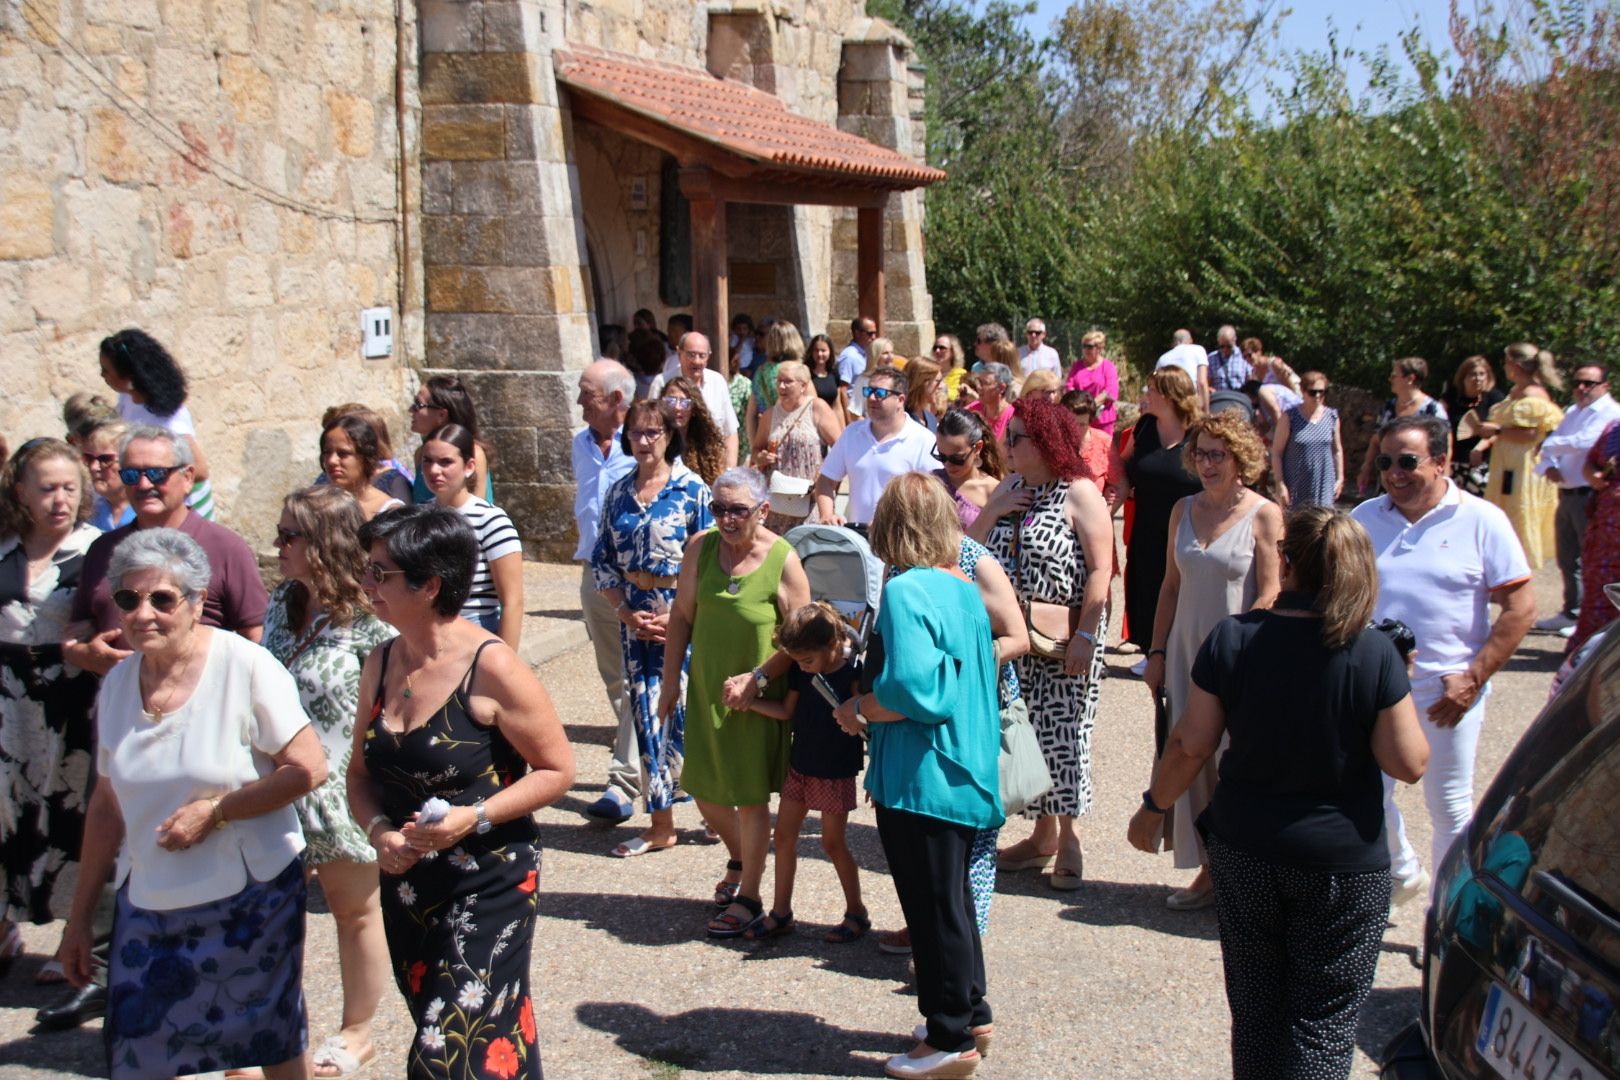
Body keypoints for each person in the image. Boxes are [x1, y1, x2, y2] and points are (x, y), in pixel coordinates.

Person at [1127, 507, 1429, 1080]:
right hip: (1341, 861)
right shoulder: (1371, 652)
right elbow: (1408, 762)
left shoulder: (1236, 639)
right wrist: (1397, 684)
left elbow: (1192, 743)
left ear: (1287, 563)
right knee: (1324, 1024)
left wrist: (1154, 808)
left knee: (1258, 1014)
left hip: (1247, 848)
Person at [57, 528, 327, 1079]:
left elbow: (309, 768)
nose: (143, 614)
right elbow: (106, 806)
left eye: (162, 598)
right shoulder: (116, 685)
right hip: (150, 896)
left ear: (198, 603)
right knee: (139, 1049)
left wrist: (219, 810)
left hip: (249, 898)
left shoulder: (245, 665)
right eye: (129, 599)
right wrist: (79, 918)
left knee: (267, 1040)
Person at [347, 505, 574, 1080]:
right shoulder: (380, 659)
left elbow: (557, 769)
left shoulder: (490, 665)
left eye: (380, 574)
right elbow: (358, 776)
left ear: (429, 585)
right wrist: (379, 833)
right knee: (486, 1030)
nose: (366, 585)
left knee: (445, 1050)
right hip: (409, 884)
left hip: (490, 877)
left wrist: (472, 818)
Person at [834, 473, 1001, 1080]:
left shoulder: (905, 592)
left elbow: (913, 691)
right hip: (965, 766)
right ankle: (970, 1010)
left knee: (933, 909)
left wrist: (857, 711)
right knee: (953, 900)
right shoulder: (963, 587)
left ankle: (949, 1035)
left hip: (924, 771)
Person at [1351, 415, 1535, 903]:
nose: (1394, 473)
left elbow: (1521, 607)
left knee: (1449, 808)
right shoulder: (1364, 518)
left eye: (1408, 461)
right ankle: (1403, 872)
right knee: (1364, 793)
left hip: (1446, 695)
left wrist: (1473, 678)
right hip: (1377, 690)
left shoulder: (1482, 520)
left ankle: (1447, 920)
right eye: (1387, 461)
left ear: (1441, 460)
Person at [264, 487, 397, 1077]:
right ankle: (270, 1032)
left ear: (324, 542)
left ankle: (357, 1030)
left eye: (290, 534)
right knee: (273, 916)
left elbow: (399, 703)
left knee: (354, 912)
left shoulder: (372, 619)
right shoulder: (281, 603)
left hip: (342, 792)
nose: (278, 544)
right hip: (278, 788)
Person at [656, 468, 811, 938]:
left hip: (757, 697)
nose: (725, 518)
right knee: (701, 784)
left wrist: (759, 679)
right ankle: (744, 857)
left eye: (737, 510)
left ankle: (749, 896)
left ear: (762, 511)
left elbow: (803, 638)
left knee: (747, 796)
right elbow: (682, 618)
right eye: (718, 508)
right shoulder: (700, 549)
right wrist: (669, 684)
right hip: (707, 689)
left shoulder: (783, 559)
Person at [1143, 410, 1283, 907]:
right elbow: (1170, 587)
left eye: (1217, 454)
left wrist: (1244, 649)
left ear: (1240, 457)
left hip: (1237, 657)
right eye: (1199, 453)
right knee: (1189, 757)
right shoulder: (1182, 509)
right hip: (1184, 651)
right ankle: (1209, 868)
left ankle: (1242, 870)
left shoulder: (1264, 514)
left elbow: (1270, 592)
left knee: (1233, 761)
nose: (1206, 463)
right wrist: (1155, 652)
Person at [973, 400, 1113, 890]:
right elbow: (967, 553)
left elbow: (1101, 571)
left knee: (1065, 736)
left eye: (1018, 439)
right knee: (1024, 734)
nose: (1007, 447)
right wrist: (991, 509)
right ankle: (1041, 835)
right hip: (1015, 639)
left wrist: (1087, 637)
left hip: (1062, 640)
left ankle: (1069, 840)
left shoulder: (1079, 494)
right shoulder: (1008, 489)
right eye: (1007, 437)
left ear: (1048, 442)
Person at [591, 401, 714, 857]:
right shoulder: (619, 492)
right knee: (646, 715)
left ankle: (712, 806)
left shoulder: (691, 489)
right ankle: (661, 824)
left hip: (683, 618)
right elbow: (602, 559)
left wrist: (681, 613)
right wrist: (623, 611)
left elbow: (710, 561)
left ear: (669, 436)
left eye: (654, 433)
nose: (645, 441)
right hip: (635, 620)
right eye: (637, 433)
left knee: (688, 713)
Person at [0, 439, 98, 975]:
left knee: (70, 815)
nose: (60, 499)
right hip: (6, 702)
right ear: (21, 492)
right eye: (47, 488)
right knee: (3, 812)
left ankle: (72, 942)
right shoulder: (4, 547)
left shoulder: (95, 549)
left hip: (70, 699)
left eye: (69, 487)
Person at [737, 603, 867, 942]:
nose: (803, 667)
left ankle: (857, 911)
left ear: (832, 645)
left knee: (832, 843)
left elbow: (866, 723)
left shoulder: (852, 675)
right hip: (801, 765)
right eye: (797, 662)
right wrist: (750, 702)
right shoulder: (801, 670)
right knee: (782, 837)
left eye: (807, 660)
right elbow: (786, 710)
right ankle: (781, 912)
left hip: (834, 769)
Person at [572, 360, 639, 826]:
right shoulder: (580, 444)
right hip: (592, 572)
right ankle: (654, 753)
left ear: (616, 400)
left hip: (636, 577)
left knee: (640, 676)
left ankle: (624, 780)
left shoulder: (644, 445)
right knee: (614, 675)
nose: (579, 402)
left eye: (587, 393)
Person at [1112, 368, 1203, 661]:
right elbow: (1123, 468)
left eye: (1150, 389)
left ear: (1168, 395)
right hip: (1147, 527)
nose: (1145, 395)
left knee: (1185, 590)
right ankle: (1154, 653)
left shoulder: (1199, 433)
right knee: (1147, 586)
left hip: (1191, 528)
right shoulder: (1144, 428)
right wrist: (1109, 506)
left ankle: (1181, 657)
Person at [418, 424, 523, 648]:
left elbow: (512, 601)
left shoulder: (491, 520)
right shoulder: (417, 518)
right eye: (428, 461)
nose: (434, 470)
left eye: (445, 462)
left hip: (475, 635)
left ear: (469, 466)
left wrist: (505, 664)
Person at [1533, 362, 1620, 633]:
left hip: (1592, 498)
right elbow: (1555, 447)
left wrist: (1548, 443)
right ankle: (1572, 611)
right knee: (1568, 558)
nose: (1581, 388)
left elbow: (1583, 442)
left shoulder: (1610, 413)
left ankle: (1587, 616)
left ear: (1605, 386)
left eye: (1589, 383)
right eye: (1577, 382)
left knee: (1593, 561)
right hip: (1568, 492)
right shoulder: (1572, 412)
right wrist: (1548, 465)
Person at [98, 328, 216, 520]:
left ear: (128, 375)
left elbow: (200, 471)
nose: (103, 375)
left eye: (106, 370)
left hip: (185, 510)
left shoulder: (169, 419)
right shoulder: (127, 398)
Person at [1475, 342, 1566, 571]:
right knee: (1503, 513)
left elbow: (1532, 433)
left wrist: (1496, 430)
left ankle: (1517, 571)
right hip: (1506, 462)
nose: (1504, 367)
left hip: (1522, 465)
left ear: (1514, 365)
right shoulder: (1516, 391)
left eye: (1506, 362)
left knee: (1518, 513)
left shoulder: (1533, 394)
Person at [814, 367, 938, 530]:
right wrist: (827, 514)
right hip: (858, 540)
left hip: (902, 542)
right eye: (868, 391)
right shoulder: (852, 433)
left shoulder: (923, 439)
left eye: (880, 393)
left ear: (900, 400)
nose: (872, 398)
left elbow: (935, 495)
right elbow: (825, 481)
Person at [753, 361, 843, 534]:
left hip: (808, 501)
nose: (781, 386)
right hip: (776, 504)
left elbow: (840, 451)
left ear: (803, 385)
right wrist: (761, 457)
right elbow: (756, 450)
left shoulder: (817, 408)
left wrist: (828, 486)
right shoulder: (770, 414)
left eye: (788, 381)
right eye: (779, 381)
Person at [1566, 416, 1620, 655]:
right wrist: (1593, 477)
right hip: (1606, 530)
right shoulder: (1614, 429)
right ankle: (1591, 652)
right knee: (1599, 586)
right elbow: (1590, 463)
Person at [1356, 357, 1447, 497]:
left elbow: (1445, 446)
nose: (1390, 379)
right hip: (1390, 478)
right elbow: (1376, 439)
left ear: (1410, 378)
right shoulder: (1389, 407)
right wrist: (1366, 468)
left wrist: (1443, 476)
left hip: (1417, 479)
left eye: (1394, 375)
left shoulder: (1433, 409)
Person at [651, 333, 739, 468]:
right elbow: (651, 427)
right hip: (671, 468)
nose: (697, 361)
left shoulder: (717, 381)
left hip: (711, 467)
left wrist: (729, 472)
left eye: (702, 355)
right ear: (679, 353)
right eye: (691, 355)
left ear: (708, 356)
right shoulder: (661, 382)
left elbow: (730, 431)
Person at [408, 376, 495, 504]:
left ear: (442, 415)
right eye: (428, 461)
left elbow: (476, 510)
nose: (411, 410)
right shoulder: (420, 454)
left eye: (418, 405)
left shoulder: (474, 453)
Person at [1271, 371, 1344, 510]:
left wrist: (1340, 478)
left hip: (1324, 482)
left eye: (1322, 392)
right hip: (1295, 483)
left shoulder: (1332, 417)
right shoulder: (1290, 417)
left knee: (1322, 523)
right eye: (1313, 392)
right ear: (1303, 391)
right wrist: (1279, 483)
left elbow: (1337, 450)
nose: (1317, 396)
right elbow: (1277, 453)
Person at [319, 403, 415, 504]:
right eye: (326, 452)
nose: (331, 460)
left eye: (343, 453)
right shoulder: (324, 488)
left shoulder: (393, 483)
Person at [1441, 356, 1506, 496]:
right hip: (1454, 463)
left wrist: (1479, 448)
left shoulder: (1495, 397)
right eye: (1473, 374)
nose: (1478, 378)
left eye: (1482, 374)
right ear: (1463, 377)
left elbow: (1499, 429)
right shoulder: (1451, 397)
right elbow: (1439, 424)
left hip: (1482, 464)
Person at [932, 408, 1005, 529]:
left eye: (957, 458)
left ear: (977, 448)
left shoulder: (994, 491)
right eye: (942, 456)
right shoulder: (931, 484)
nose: (948, 464)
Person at [661, 375, 728, 486]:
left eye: (684, 402)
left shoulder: (707, 448)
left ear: (694, 409)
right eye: (670, 401)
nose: (677, 407)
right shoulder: (654, 444)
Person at [747, 319, 802, 451]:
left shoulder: (760, 372)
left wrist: (755, 447)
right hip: (795, 439)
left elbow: (751, 415)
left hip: (768, 438)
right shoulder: (798, 371)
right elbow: (811, 408)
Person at [78, 416, 134, 530]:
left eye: (105, 459)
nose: (94, 467)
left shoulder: (149, 510)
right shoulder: (88, 513)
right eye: (88, 458)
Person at [1063, 331, 1119, 435]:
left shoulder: (1108, 367)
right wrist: (1079, 405)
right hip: (1079, 418)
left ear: (1099, 348)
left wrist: (1090, 406)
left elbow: (1110, 392)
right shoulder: (1077, 366)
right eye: (1084, 346)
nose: (1086, 350)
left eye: (1089, 346)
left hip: (1102, 420)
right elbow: (1069, 386)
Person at [1061, 390, 1113, 489]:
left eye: (1082, 425)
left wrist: (1108, 504)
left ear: (1090, 422)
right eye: (1071, 423)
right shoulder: (1052, 440)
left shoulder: (1105, 442)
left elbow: (1119, 485)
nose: (1075, 429)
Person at [967, 350, 1017, 442]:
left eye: (984, 383)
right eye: (979, 382)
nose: (978, 387)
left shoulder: (1013, 417)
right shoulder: (972, 410)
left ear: (1001, 388)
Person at [1156, 329, 1211, 411]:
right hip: (1192, 402)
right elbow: (1202, 382)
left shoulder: (1162, 359)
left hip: (1170, 405)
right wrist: (1206, 412)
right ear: (1191, 340)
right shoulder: (1198, 350)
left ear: (1173, 343)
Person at [836, 317, 877, 420]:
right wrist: (849, 420)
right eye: (870, 333)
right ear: (857, 333)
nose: (874, 337)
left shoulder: (865, 354)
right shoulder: (849, 356)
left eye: (875, 333)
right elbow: (843, 390)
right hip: (856, 413)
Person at [903, 355, 946, 432]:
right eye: (938, 381)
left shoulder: (931, 419)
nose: (941, 386)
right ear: (921, 382)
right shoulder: (901, 420)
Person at [806, 332, 844, 413]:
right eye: (816, 350)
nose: (819, 354)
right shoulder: (806, 373)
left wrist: (841, 425)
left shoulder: (834, 373)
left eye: (823, 350)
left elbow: (837, 405)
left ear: (830, 352)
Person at [1206, 325, 1251, 392]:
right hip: (1219, 398)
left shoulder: (1244, 356)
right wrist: (1210, 390)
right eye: (1222, 346)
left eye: (1229, 346)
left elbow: (1250, 381)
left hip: (1238, 398)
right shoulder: (1211, 358)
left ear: (1235, 340)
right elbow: (1206, 384)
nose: (1225, 349)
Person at [934, 333, 969, 404]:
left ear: (953, 352)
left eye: (942, 348)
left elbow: (959, 397)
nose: (937, 351)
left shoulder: (961, 375)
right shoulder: (930, 374)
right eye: (935, 348)